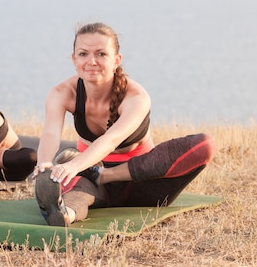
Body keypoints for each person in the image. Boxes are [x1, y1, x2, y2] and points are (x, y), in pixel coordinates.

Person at [34, 23, 214, 227]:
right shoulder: (62, 93)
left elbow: (111, 140)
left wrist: (79, 167)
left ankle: (101, 177)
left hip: (140, 183)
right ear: (74, 59)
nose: (91, 61)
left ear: (116, 60)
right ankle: (66, 214)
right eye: (83, 54)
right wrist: (44, 163)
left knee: (204, 145)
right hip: (89, 178)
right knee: (76, 183)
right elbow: (50, 133)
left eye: (101, 54)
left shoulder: (136, 97)